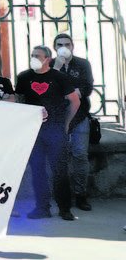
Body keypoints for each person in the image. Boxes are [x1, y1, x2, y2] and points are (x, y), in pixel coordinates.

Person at [16, 45, 79, 220]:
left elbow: (74, 101)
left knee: (60, 170)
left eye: (38, 55)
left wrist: (66, 123)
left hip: (55, 130)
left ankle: (65, 208)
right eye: (32, 55)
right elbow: (19, 100)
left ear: (48, 59)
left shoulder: (59, 77)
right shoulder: (24, 77)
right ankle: (42, 207)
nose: (34, 58)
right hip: (34, 132)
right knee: (37, 170)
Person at [52, 32, 94, 212]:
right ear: (55, 47)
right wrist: (56, 67)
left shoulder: (82, 64)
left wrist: (72, 92)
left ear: (72, 46)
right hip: (58, 118)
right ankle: (62, 196)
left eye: (67, 44)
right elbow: (49, 89)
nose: (64, 47)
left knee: (80, 155)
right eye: (60, 44)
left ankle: (81, 195)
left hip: (80, 116)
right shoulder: (51, 65)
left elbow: (87, 87)